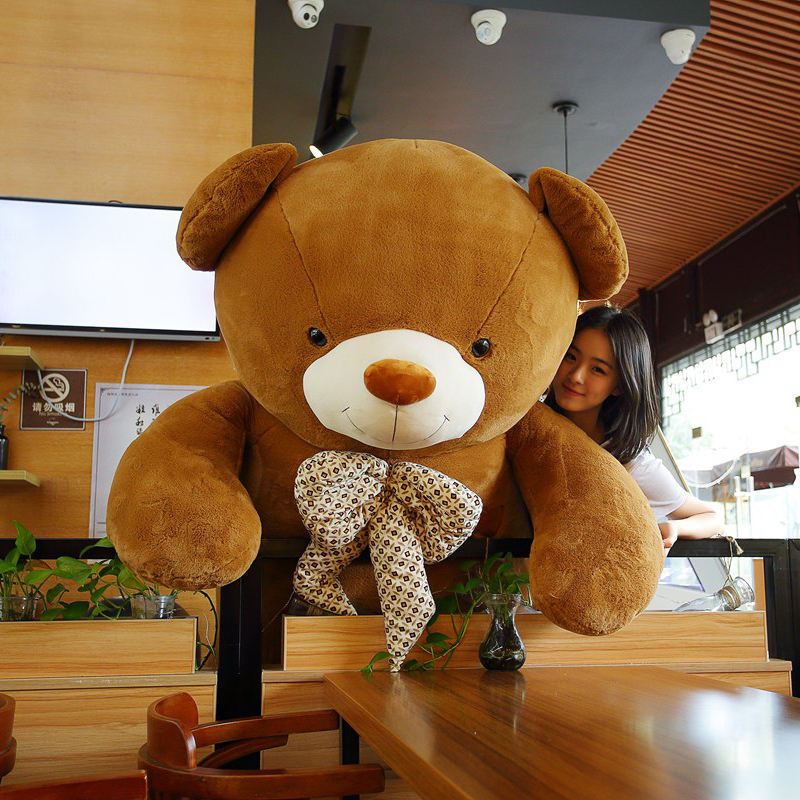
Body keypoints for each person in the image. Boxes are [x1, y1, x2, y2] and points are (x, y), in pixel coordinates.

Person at [544, 305, 724, 549]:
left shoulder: (628, 462)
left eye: (598, 369)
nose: (576, 375)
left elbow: (712, 517)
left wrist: (675, 528)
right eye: (571, 356)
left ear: (619, 385)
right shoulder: (527, 425)